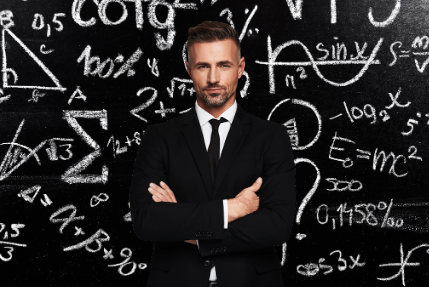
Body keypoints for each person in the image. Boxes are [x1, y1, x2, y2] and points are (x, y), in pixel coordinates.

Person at [130, 20, 295, 287]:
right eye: (203, 66)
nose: (213, 78)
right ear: (189, 70)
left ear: (240, 68)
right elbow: (147, 220)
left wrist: (191, 231)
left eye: (224, 65)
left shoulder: (271, 137)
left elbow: (277, 224)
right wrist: (231, 209)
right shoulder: (159, 137)